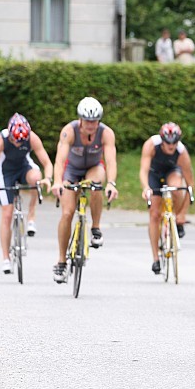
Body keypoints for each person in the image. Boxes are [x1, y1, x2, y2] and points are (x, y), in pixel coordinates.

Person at [51, 97, 119, 283]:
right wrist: (57, 181)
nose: (91, 125)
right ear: (80, 119)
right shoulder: (69, 131)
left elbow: (111, 160)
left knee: (97, 184)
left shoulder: (106, 133)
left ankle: (95, 228)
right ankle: (62, 261)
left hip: (93, 168)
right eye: (88, 121)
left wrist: (112, 183)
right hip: (71, 170)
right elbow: (59, 160)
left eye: (95, 121)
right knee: (67, 213)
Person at [0, 114, 53, 274]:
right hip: (5, 173)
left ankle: (31, 216)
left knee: (36, 179)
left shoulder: (32, 138)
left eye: (22, 141)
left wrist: (47, 179)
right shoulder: (0, 139)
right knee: (7, 214)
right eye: (15, 141)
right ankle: (6, 258)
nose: (18, 143)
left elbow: (47, 163)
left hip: (23, 168)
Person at [139, 122, 194, 274]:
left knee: (177, 187)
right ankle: (156, 258)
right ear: (162, 140)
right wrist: (146, 187)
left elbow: (190, 185)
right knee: (154, 214)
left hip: (172, 171)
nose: (171, 146)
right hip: (154, 173)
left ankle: (175, 219)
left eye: (174, 143)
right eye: (168, 143)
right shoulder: (151, 145)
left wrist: (182, 213)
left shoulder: (182, 153)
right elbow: (143, 170)